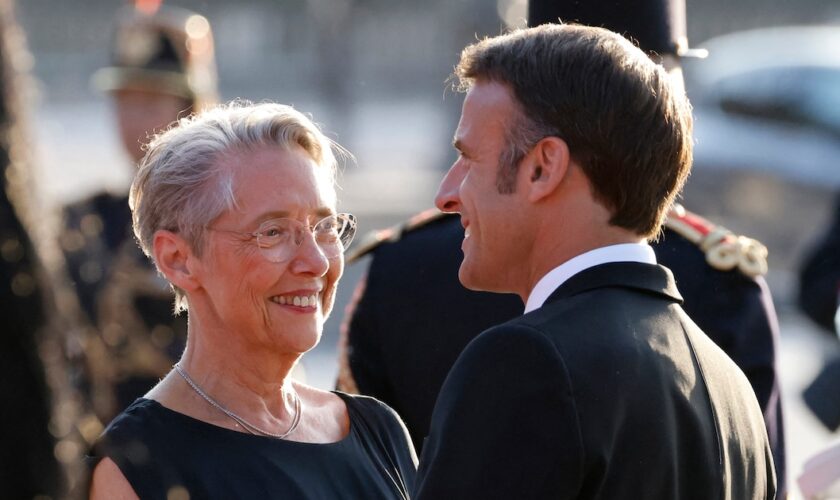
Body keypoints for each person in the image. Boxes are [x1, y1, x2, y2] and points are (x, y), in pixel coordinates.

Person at [338, 0, 786, 494]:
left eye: (469, 159)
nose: (446, 193)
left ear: (542, 167)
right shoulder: (729, 387)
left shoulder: (526, 361)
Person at [87, 102, 417, 498]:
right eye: (273, 232)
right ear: (178, 260)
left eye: (324, 227)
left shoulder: (377, 430)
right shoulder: (133, 471)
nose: (314, 261)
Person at [60, 4, 219, 425]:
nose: (132, 119)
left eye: (149, 102)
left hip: (201, 437)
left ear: (188, 106)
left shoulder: (225, 218)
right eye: (123, 102)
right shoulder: (80, 220)